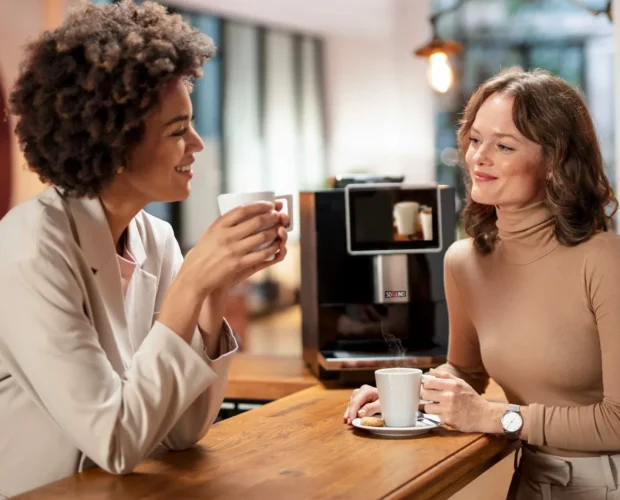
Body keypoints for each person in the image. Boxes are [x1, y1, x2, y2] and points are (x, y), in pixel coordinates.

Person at [0, 2, 289, 497]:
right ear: (114, 144)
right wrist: (193, 280)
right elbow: (115, 440)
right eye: (178, 131)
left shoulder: (155, 237)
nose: (197, 143)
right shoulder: (29, 247)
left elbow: (182, 431)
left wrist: (214, 288)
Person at [344, 68, 620, 499]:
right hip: (533, 475)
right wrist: (405, 393)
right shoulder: (465, 261)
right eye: (475, 140)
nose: (478, 158)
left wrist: (496, 417)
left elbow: (618, 421)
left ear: (554, 163)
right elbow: (466, 372)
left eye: (504, 146)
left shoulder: (605, 260)